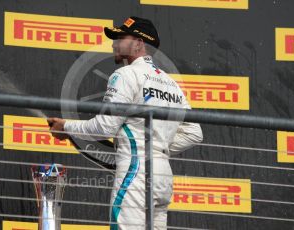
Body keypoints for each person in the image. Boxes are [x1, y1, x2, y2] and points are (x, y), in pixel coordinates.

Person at [48, 16, 203, 230]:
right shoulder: (171, 84)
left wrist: (66, 127)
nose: (114, 43)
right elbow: (195, 133)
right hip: (163, 176)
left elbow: (105, 127)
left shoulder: (125, 74)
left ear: (139, 43)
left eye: (121, 37)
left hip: (135, 171)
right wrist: (156, 148)